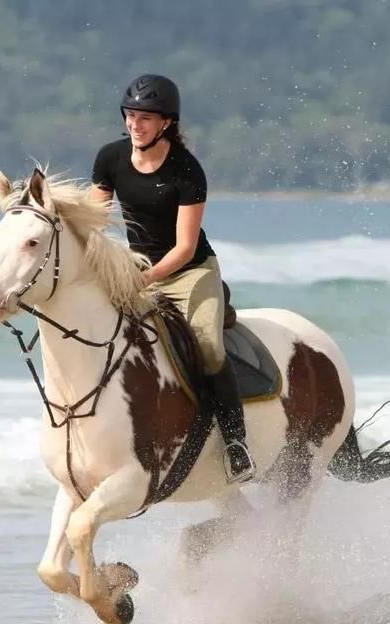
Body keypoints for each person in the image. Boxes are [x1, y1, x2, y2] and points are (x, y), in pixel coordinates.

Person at [90, 73, 255, 484]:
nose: (135, 124)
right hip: (135, 268)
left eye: (145, 117)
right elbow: (94, 225)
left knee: (209, 348)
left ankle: (236, 444)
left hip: (189, 271)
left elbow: (183, 247)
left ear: (166, 123)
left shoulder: (186, 169)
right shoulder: (110, 159)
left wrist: (142, 280)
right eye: (130, 115)